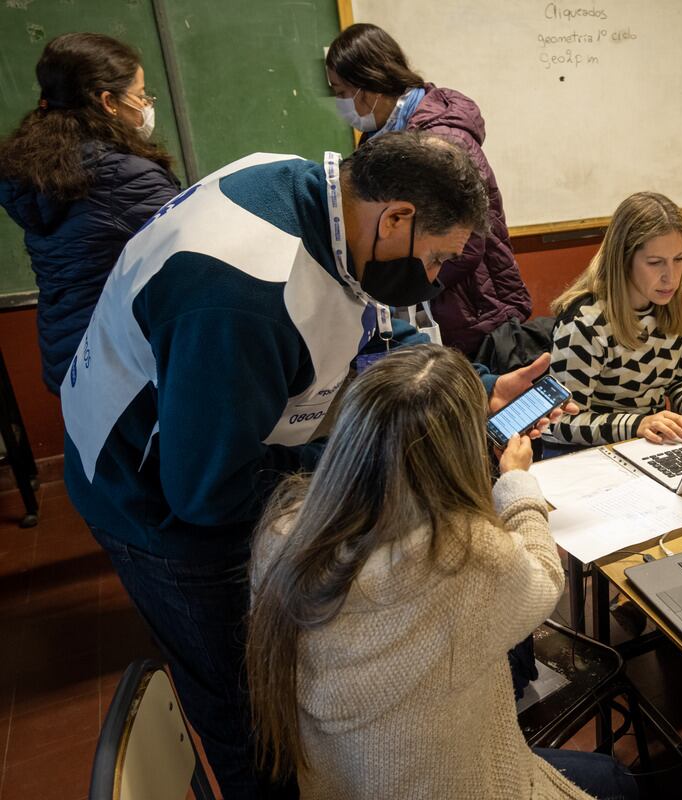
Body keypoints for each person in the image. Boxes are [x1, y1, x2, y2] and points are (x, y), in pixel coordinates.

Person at [59, 131, 569, 799]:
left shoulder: (330, 203)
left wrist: (472, 388)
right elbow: (207, 494)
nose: (438, 278)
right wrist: (353, 470)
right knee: (250, 703)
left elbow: (384, 332)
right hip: (156, 501)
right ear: (395, 218)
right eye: (439, 258)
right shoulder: (243, 293)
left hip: (224, 434)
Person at [247, 345, 637, 799]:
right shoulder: (463, 555)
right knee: (615, 781)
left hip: (345, 782)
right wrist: (514, 481)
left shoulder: (283, 533)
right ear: (459, 451)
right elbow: (543, 582)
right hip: (457, 781)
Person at [326, 22, 530, 357]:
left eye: (341, 92)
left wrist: (399, 283)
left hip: (474, 313)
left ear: (369, 85)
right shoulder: (379, 141)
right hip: (432, 312)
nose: (341, 104)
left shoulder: (444, 142)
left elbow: (469, 239)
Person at [0, 32, 180, 395]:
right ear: (108, 102)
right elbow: (194, 246)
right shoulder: (121, 175)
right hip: (120, 360)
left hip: (68, 349)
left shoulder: (42, 168)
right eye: (140, 94)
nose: (146, 105)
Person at [546, 192, 682, 449]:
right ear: (623, 260)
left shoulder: (678, 301)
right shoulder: (586, 321)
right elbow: (560, 421)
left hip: (644, 443)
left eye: (679, 259)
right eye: (655, 263)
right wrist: (637, 424)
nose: (670, 277)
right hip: (588, 453)